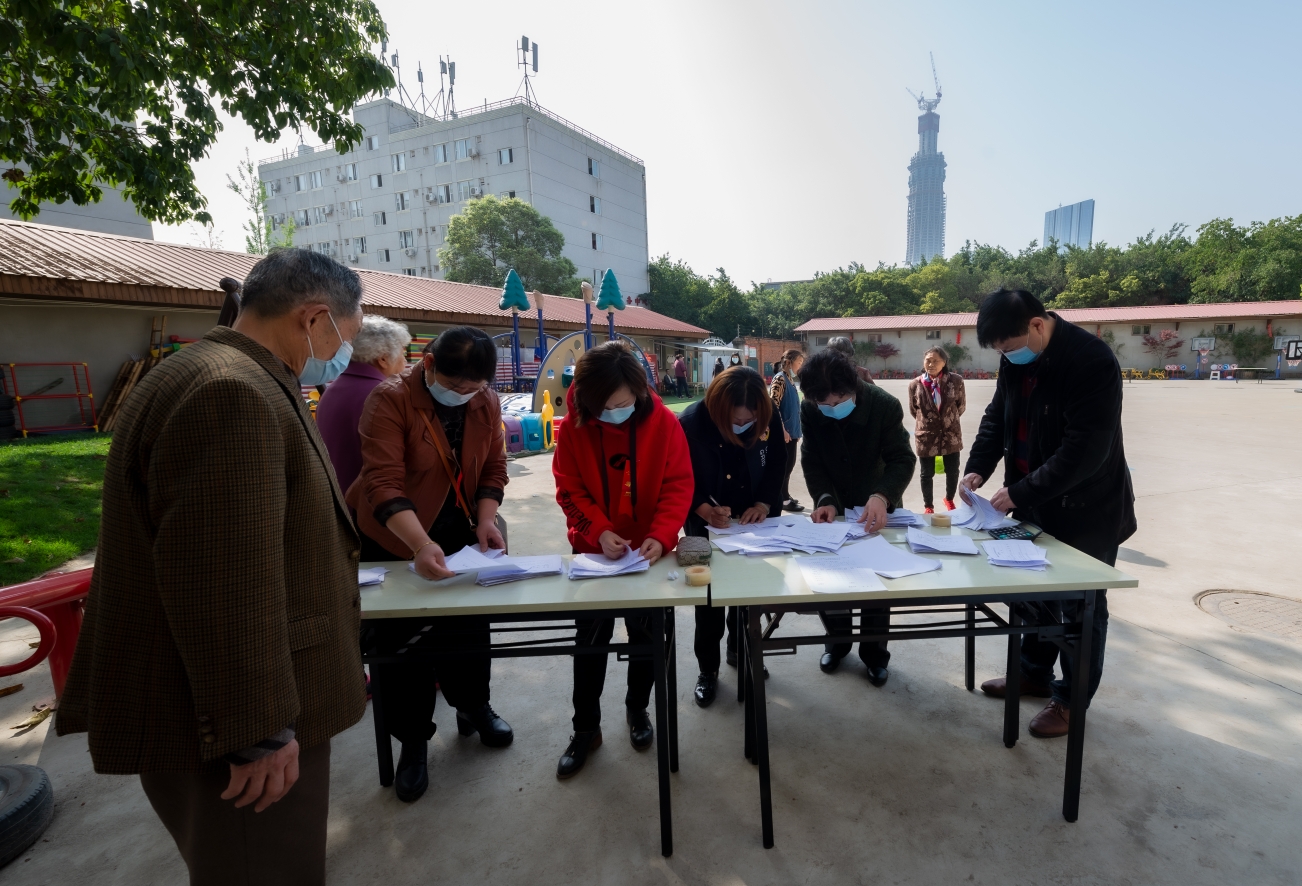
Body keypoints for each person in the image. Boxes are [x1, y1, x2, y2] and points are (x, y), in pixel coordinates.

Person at [57, 249, 367, 886]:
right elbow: (226, 580)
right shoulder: (234, 393)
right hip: (233, 722)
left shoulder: (214, 370)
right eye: (346, 337)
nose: (342, 356)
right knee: (261, 867)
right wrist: (256, 730)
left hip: (225, 705)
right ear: (315, 319)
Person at [347, 326, 513, 803]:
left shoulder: (485, 401)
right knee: (402, 643)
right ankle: (413, 741)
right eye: (457, 386)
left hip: (459, 532)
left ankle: (474, 706)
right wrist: (419, 544)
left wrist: (485, 520)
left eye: (475, 388)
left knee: (467, 625)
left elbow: (494, 467)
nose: (465, 396)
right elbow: (381, 482)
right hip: (396, 535)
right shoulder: (389, 400)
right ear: (429, 364)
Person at [963, 289, 1135, 739]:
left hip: (1086, 510)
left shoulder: (1090, 361)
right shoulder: (1016, 357)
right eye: (1001, 351)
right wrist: (978, 469)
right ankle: (1033, 675)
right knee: (1030, 595)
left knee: (1081, 608)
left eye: (1010, 347)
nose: (1007, 356)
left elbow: (1085, 451)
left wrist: (1019, 491)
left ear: (1038, 326)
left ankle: (1070, 700)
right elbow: (997, 415)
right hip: (1032, 503)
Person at [551, 341, 693, 778]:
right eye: (606, 406)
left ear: (640, 390)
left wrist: (661, 534)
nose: (616, 411)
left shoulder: (664, 423)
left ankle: (638, 711)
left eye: (624, 403)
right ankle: (585, 729)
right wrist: (597, 530)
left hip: (648, 554)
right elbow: (569, 487)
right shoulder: (575, 424)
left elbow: (677, 484)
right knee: (589, 643)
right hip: (596, 553)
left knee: (646, 641)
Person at [798, 349, 916, 686]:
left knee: (875, 584)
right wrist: (823, 498)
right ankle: (837, 644)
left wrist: (882, 496)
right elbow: (812, 460)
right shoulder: (811, 408)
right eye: (825, 404)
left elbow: (902, 460)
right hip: (834, 507)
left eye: (840, 400)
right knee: (832, 580)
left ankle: (875, 655)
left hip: (877, 504)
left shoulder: (884, 405)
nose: (832, 408)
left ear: (855, 388)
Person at [679, 367, 787, 707]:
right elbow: (679, 475)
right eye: (735, 420)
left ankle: (742, 651)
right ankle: (707, 670)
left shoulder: (769, 414)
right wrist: (702, 509)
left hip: (752, 518)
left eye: (750, 420)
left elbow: (778, 464)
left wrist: (764, 502)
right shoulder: (691, 423)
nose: (743, 425)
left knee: (749, 590)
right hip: (702, 519)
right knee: (707, 598)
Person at [316, 314, 412, 493]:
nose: (405, 362)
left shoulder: (332, 389)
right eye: (402, 353)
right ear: (383, 359)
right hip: (372, 505)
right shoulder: (384, 395)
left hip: (337, 499)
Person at [907, 345, 967, 514]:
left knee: (952, 470)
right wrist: (930, 423)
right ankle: (929, 506)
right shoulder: (915, 384)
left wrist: (947, 421)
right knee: (926, 474)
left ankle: (949, 499)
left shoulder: (956, 381)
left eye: (935, 361)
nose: (931, 364)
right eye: (928, 361)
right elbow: (914, 410)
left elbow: (960, 406)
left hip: (951, 434)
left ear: (944, 363)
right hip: (926, 435)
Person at [769, 347, 806, 512]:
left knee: (789, 465)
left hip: (792, 432)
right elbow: (773, 406)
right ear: (789, 362)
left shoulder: (790, 379)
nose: (800, 366)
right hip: (784, 433)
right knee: (784, 466)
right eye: (799, 363)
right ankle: (782, 499)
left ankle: (785, 494)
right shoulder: (780, 379)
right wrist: (782, 429)